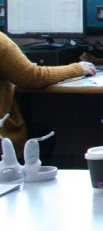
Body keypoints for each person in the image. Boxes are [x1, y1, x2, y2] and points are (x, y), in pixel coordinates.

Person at [0, 31, 96, 161]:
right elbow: (32, 77)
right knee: (44, 136)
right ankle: (30, 179)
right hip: (4, 143)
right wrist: (77, 69)